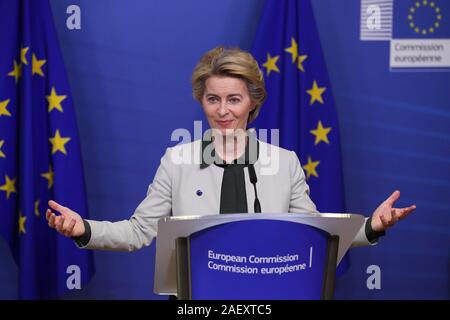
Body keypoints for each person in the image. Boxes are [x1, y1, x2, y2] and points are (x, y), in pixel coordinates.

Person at [46, 46, 416, 251]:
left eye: (234, 99)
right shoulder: (177, 160)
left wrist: (371, 227)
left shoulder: (283, 163)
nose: (222, 111)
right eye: (212, 99)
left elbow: (313, 233)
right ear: (201, 101)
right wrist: (84, 230)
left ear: (252, 103)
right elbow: (139, 231)